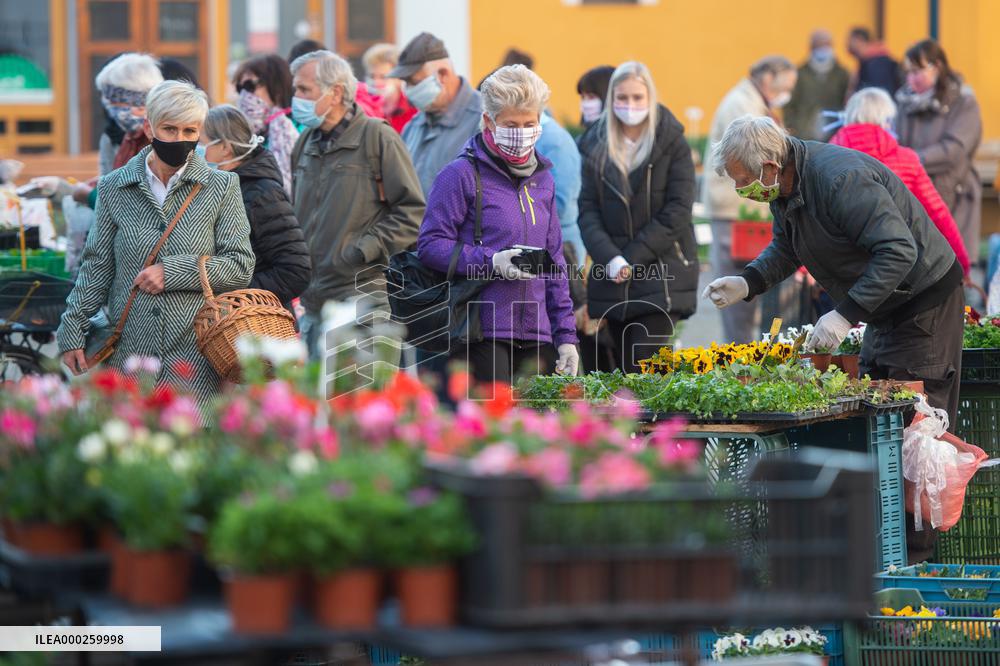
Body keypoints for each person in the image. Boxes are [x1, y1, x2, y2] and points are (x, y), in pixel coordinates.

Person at [704, 115, 963, 430]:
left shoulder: (840, 180)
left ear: (769, 167)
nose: (739, 188)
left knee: (919, 425)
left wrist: (844, 315)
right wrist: (748, 281)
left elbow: (897, 250)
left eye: (742, 180)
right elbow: (787, 247)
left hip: (924, 305)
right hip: (886, 307)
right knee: (879, 415)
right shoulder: (784, 188)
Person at [56, 80, 255, 401]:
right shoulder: (114, 187)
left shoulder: (221, 186)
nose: (180, 139)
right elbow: (97, 266)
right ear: (149, 128)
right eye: (170, 129)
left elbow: (240, 265)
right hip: (130, 352)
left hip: (195, 355)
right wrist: (72, 329)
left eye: (190, 131)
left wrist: (173, 272)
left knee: (193, 444)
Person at [417, 64, 578, 385]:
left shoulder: (543, 179)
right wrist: (491, 261)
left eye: (529, 123)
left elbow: (555, 263)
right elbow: (430, 245)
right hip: (481, 330)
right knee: (493, 428)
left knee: (540, 431)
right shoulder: (459, 175)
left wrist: (566, 337)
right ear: (489, 122)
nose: (521, 133)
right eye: (511, 124)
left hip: (537, 330)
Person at [289, 50, 424, 359]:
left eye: (303, 89)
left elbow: (412, 212)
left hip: (361, 298)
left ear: (335, 92)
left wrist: (363, 250)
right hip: (312, 302)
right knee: (316, 402)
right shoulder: (305, 143)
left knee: (357, 400)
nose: (295, 97)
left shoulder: (377, 137)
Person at [578, 61, 699, 374]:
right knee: (615, 375)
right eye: (621, 98)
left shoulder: (671, 141)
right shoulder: (594, 144)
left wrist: (630, 258)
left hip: (661, 273)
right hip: (611, 277)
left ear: (650, 98)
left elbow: (678, 211)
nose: (629, 105)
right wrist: (611, 258)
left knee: (644, 370)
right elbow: (587, 210)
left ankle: (651, 426)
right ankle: (627, 426)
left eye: (637, 98)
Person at [702, 56, 796, 344]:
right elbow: (750, 161)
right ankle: (739, 363)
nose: (785, 96)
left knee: (753, 293)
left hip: (744, 210)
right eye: (785, 87)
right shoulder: (741, 106)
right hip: (737, 212)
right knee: (739, 302)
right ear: (768, 78)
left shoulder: (753, 102)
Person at [829, 88, 970, 275]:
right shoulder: (906, 160)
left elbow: (812, 216)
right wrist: (961, 263)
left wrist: (805, 269)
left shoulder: (827, 160)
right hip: (898, 267)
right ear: (887, 121)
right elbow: (937, 213)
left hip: (839, 268)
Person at [200, 104, 312, 305]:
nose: (195, 153)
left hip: (254, 326)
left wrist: (235, 297)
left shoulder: (262, 193)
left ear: (225, 148)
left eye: (200, 144)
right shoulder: (218, 186)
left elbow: (295, 271)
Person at [896, 39, 983, 264]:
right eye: (908, 72)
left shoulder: (963, 103)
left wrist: (910, 159)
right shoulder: (905, 103)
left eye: (917, 71)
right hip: (913, 197)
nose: (911, 78)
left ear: (938, 67)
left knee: (955, 273)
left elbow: (954, 150)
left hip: (953, 195)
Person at [390, 32, 483, 197]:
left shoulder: (483, 121)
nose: (409, 90)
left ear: (443, 74)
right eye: (406, 83)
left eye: (415, 82)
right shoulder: (413, 126)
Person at [233, 54, 300, 195]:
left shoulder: (299, 128)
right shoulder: (242, 135)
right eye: (240, 88)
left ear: (276, 87)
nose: (244, 95)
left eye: (249, 86)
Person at [784, 29, 850, 141]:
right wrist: (793, 127)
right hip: (804, 134)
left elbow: (846, 101)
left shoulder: (842, 74)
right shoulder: (800, 73)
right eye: (819, 45)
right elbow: (789, 104)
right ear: (811, 47)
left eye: (826, 45)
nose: (823, 49)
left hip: (834, 133)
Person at [362, 43, 417, 134]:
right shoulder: (363, 110)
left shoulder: (413, 112)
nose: (376, 83)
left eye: (383, 77)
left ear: (399, 78)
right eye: (372, 77)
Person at [847, 27, 902, 96]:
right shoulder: (867, 62)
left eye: (850, 40)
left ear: (859, 39)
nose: (847, 44)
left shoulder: (877, 64)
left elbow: (878, 96)